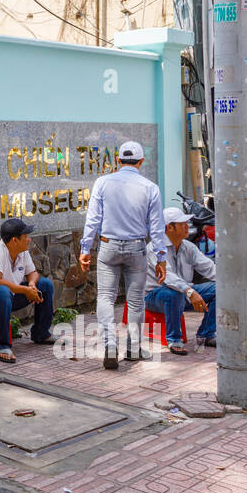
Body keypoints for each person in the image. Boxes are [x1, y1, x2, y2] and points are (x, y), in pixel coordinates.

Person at [79, 140, 167, 368]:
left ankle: (109, 345)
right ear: (141, 162)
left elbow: (93, 219)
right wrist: (161, 257)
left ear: (118, 161)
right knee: (136, 301)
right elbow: (157, 227)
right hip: (137, 248)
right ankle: (133, 349)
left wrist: (85, 249)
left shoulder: (103, 182)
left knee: (106, 297)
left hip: (108, 246)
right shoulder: (150, 188)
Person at [0, 218, 56, 364]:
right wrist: (25, 290)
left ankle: (41, 334)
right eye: (26, 236)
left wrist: (31, 285)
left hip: (7, 297)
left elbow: (33, 273)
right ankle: (3, 346)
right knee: (2, 291)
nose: (29, 239)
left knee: (45, 284)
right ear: (14, 240)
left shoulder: (22, 251)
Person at [145, 207, 217, 354]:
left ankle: (206, 334)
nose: (187, 226)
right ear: (169, 227)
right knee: (173, 292)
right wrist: (190, 292)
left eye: (187, 222)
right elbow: (168, 278)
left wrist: (232, 283)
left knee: (221, 289)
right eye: (182, 223)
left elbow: (209, 267)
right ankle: (173, 339)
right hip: (155, 296)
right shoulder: (154, 248)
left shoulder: (188, 247)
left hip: (184, 293)